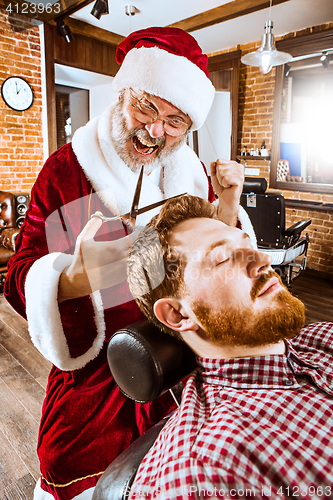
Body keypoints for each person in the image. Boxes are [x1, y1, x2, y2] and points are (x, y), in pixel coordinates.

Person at [4, 28, 255, 500]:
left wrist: (227, 202)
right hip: (96, 371)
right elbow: (19, 279)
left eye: (175, 120)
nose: (155, 130)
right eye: (146, 107)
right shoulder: (65, 171)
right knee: (66, 463)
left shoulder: (190, 172)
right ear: (122, 93)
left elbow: (212, 256)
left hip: (183, 357)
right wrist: (75, 278)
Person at [127, 194, 333, 500]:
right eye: (223, 258)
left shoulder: (320, 339)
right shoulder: (208, 472)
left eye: (247, 245)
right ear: (178, 313)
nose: (264, 260)